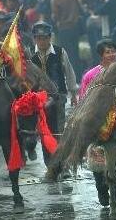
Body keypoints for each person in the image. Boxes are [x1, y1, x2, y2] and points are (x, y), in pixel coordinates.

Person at [79, 39, 116, 212]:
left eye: (113, 51)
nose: (111, 54)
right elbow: (83, 100)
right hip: (99, 125)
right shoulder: (90, 76)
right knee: (100, 162)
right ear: (101, 55)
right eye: (107, 51)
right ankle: (103, 190)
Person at [30, 21, 78, 164]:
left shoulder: (59, 52)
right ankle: (48, 163)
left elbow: (69, 73)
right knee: (44, 131)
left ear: (50, 38)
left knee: (58, 130)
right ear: (35, 39)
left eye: (45, 38)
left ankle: (62, 163)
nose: (42, 41)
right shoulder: (31, 56)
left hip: (58, 98)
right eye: (38, 38)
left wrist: (73, 94)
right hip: (38, 100)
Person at [51, 0, 82, 81]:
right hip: (75, 27)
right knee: (75, 53)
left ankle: (70, 79)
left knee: (66, 55)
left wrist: (54, 18)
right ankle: (78, 77)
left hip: (63, 28)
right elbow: (80, 9)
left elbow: (55, 17)